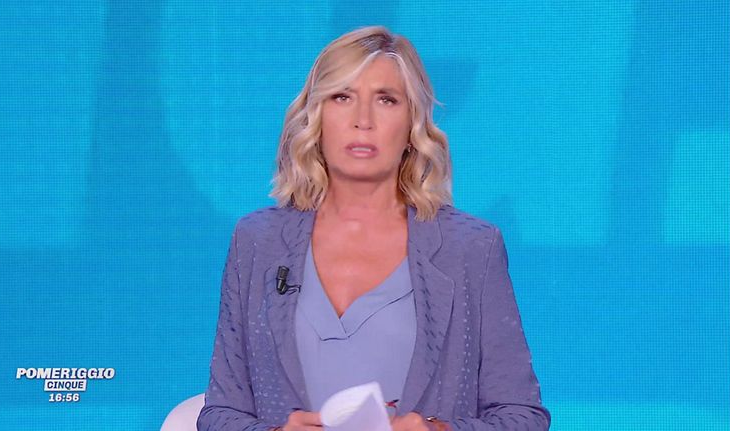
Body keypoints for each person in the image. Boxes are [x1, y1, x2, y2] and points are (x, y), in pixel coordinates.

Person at [197, 26, 550, 431]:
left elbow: (523, 416)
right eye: (342, 97)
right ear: (316, 117)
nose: (362, 121)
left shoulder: (471, 247)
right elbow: (219, 415)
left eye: (386, 99)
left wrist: (438, 430)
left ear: (412, 124)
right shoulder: (257, 241)